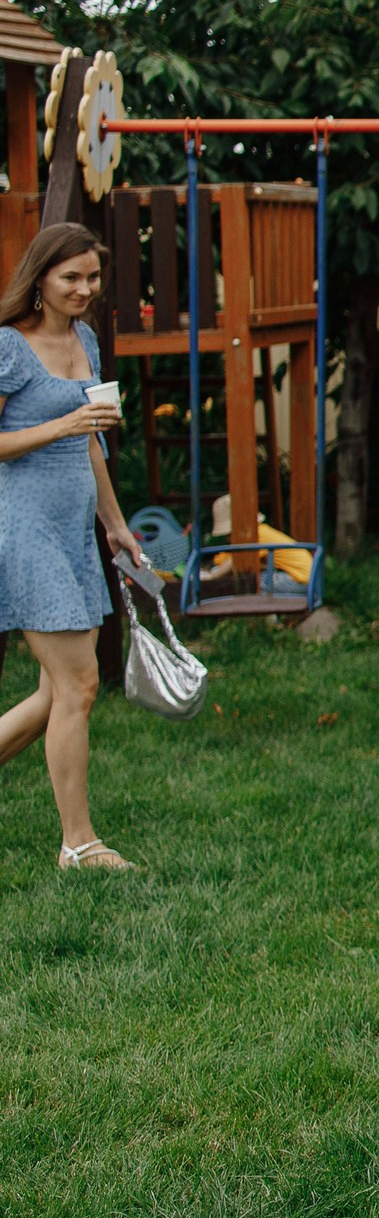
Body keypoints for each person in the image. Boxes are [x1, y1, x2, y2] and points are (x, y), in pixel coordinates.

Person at [0, 223, 146, 871]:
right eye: (71, 278)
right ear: (39, 281)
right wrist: (62, 421)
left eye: (92, 277)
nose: (85, 288)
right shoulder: (9, 347)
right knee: (79, 684)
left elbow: (91, 445)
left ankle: (78, 842)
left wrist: (114, 524)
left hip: (72, 529)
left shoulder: (84, 338)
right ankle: (79, 843)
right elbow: (60, 430)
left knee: (57, 693)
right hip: (21, 526)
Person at [204, 493, 314, 599]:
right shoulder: (260, 531)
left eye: (229, 534)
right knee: (257, 575)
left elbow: (234, 560)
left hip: (300, 581)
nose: (228, 538)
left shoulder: (256, 536)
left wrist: (212, 577)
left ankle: (265, 613)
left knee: (252, 580)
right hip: (307, 579)